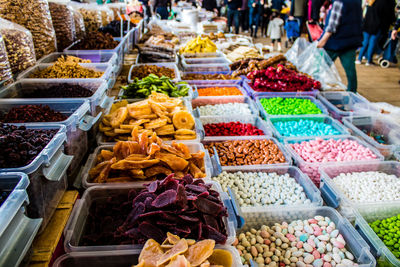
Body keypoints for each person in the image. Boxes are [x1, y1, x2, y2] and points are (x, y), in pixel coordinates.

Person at [317, 0, 363, 93]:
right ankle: (352, 92)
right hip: (350, 42)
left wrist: (322, 40)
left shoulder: (339, 2)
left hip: (335, 42)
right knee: (350, 71)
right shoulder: (357, 2)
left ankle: (314, 87)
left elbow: (332, 25)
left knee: (320, 67)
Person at [356, 0, 396, 65]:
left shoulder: (371, 2)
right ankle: (369, 60)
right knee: (372, 42)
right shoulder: (386, 2)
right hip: (377, 26)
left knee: (365, 42)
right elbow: (390, 15)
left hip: (367, 24)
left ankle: (359, 59)